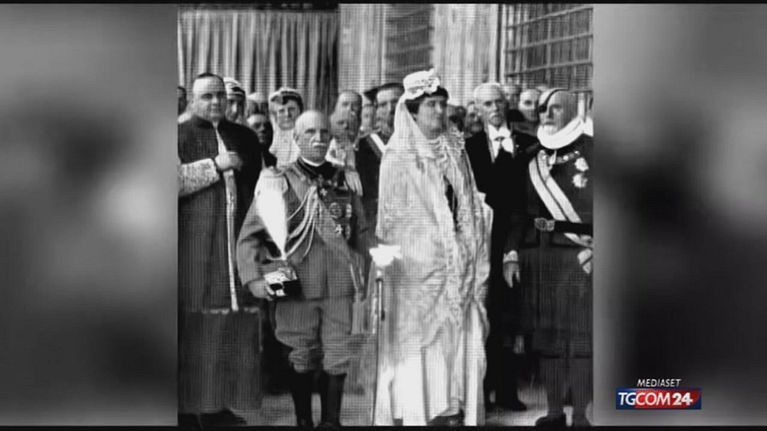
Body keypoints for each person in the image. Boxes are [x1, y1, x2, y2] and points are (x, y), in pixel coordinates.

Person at [370, 69, 492, 426]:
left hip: (458, 259)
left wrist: (467, 246)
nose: (439, 111)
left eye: (442, 104)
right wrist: (429, 248)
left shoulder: (455, 149)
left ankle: (453, 407)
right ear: (412, 111)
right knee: (423, 340)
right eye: (431, 105)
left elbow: (468, 205)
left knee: (460, 335)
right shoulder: (398, 156)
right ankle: (421, 411)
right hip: (417, 266)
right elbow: (392, 219)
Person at [236, 110, 370, 430]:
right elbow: (251, 235)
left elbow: (361, 231)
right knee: (300, 352)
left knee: (338, 353)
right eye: (309, 132)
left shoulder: (345, 179)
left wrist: (371, 269)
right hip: (294, 280)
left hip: (339, 283)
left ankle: (332, 421)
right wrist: (253, 278)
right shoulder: (278, 180)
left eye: (324, 132)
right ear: (296, 138)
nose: (318, 138)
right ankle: (303, 420)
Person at [177, 72, 264, 428]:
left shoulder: (244, 137)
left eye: (219, 96)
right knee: (191, 327)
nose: (215, 102)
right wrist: (216, 165)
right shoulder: (177, 135)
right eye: (206, 96)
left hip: (235, 247)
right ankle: (185, 410)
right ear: (193, 100)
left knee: (227, 329)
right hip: (192, 248)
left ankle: (216, 407)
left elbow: (260, 189)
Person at [505, 88, 593, 427]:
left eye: (555, 108)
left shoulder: (595, 151)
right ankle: (555, 411)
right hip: (540, 256)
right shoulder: (530, 157)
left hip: (582, 255)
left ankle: (581, 414)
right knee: (548, 339)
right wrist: (511, 253)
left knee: (582, 338)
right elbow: (516, 212)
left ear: (571, 111)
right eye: (543, 109)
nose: (547, 115)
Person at [465, 82, 537, 414]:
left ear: (506, 104)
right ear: (477, 110)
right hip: (481, 242)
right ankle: (481, 391)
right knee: (483, 315)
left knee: (510, 317)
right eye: (487, 104)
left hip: (517, 239)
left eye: (498, 102)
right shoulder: (468, 148)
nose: (494, 108)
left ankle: (507, 389)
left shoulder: (528, 144)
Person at [355, 82, 404, 230]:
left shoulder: (424, 143)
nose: (390, 109)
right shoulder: (363, 147)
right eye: (383, 105)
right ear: (376, 110)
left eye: (396, 102)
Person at [327, 109, 363, 196]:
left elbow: (352, 162)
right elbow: (329, 159)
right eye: (341, 123)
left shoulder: (351, 145)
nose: (345, 126)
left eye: (348, 123)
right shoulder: (331, 144)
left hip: (349, 176)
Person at [268, 87, 304, 168]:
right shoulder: (272, 138)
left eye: (291, 109)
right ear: (275, 115)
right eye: (281, 111)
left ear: (301, 111)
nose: (287, 114)